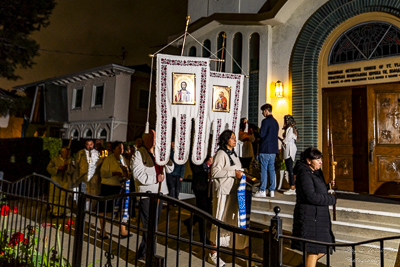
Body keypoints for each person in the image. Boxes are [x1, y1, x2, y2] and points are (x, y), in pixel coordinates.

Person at [209, 130, 250, 266]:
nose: (234, 140)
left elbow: (235, 169)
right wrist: (234, 173)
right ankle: (213, 253)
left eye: (234, 138)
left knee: (235, 222)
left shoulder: (234, 154)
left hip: (234, 193)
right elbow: (215, 172)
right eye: (232, 138)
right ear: (226, 140)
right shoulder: (221, 153)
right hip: (223, 193)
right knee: (219, 220)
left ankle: (247, 254)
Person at [131, 130, 174, 260]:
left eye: (156, 138)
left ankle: (144, 252)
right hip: (146, 194)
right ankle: (148, 253)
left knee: (153, 224)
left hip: (159, 192)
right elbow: (137, 174)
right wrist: (155, 178)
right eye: (152, 138)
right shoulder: (138, 154)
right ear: (145, 139)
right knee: (149, 224)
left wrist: (168, 156)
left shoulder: (159, 153)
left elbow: (171, 168)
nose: (155, 140)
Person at [291, 147, 336, 267]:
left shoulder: (315, 173)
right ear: (308, 161)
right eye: (317, 159)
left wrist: (328, 186)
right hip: (310, 218)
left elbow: (317, 190)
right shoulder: (304, 174)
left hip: (318, 217)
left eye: (321, 159)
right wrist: (331, 199)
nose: (321, 161)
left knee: (323, 248)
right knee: (314, 250)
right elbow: (310, 196)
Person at [99, 141, 132, 239]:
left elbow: (128, 173)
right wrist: (115, 173)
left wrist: (126, 173)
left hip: (121, 186)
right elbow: (103, 173)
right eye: (119, 148)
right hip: (109, 186)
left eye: (122, 148)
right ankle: (102, 230)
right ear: (113, 149)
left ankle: (123, 230)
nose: (121, 150)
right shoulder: (108, 159)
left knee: (122, 208)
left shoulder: (123, 159)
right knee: (105, 209)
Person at [184, 154, 213, 243]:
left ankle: (190, 222)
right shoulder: (195, 152)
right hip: (200, 186)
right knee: (202, 211)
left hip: (210, 185)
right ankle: (203, 237)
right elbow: (195, 169)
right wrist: (207, 164)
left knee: (207, 210)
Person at [253, 103, 279, 198]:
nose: (263, 113)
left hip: (265, 149)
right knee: (272, 169)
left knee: (263, 170)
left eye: (263, 111)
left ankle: (263, 190)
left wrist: (257, 133)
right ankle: (272, 190)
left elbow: (262, 135)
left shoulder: (265, 121)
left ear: (266, 110)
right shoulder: (275, 122)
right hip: (273, 149)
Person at [46, 147, 71, 217]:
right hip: (56, 180)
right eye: (65, 152)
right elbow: (48, 168)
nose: (67, 153)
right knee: (55, 196)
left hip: (65, 181)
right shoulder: (54, 159)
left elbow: (73, 170)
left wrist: (68, 167)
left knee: (64, 197)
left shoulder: (70, 160)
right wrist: (57, 168)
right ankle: (55, 211)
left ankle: (64, 211)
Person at [279, 115, 298, 195]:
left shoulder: (290, 129)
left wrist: (282, 140)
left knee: (290, 168)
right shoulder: (291, 129)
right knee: (289, 168)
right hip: (288, 148)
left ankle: (292, 187)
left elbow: (286, 139)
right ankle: (292, 186)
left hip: (289, 149)